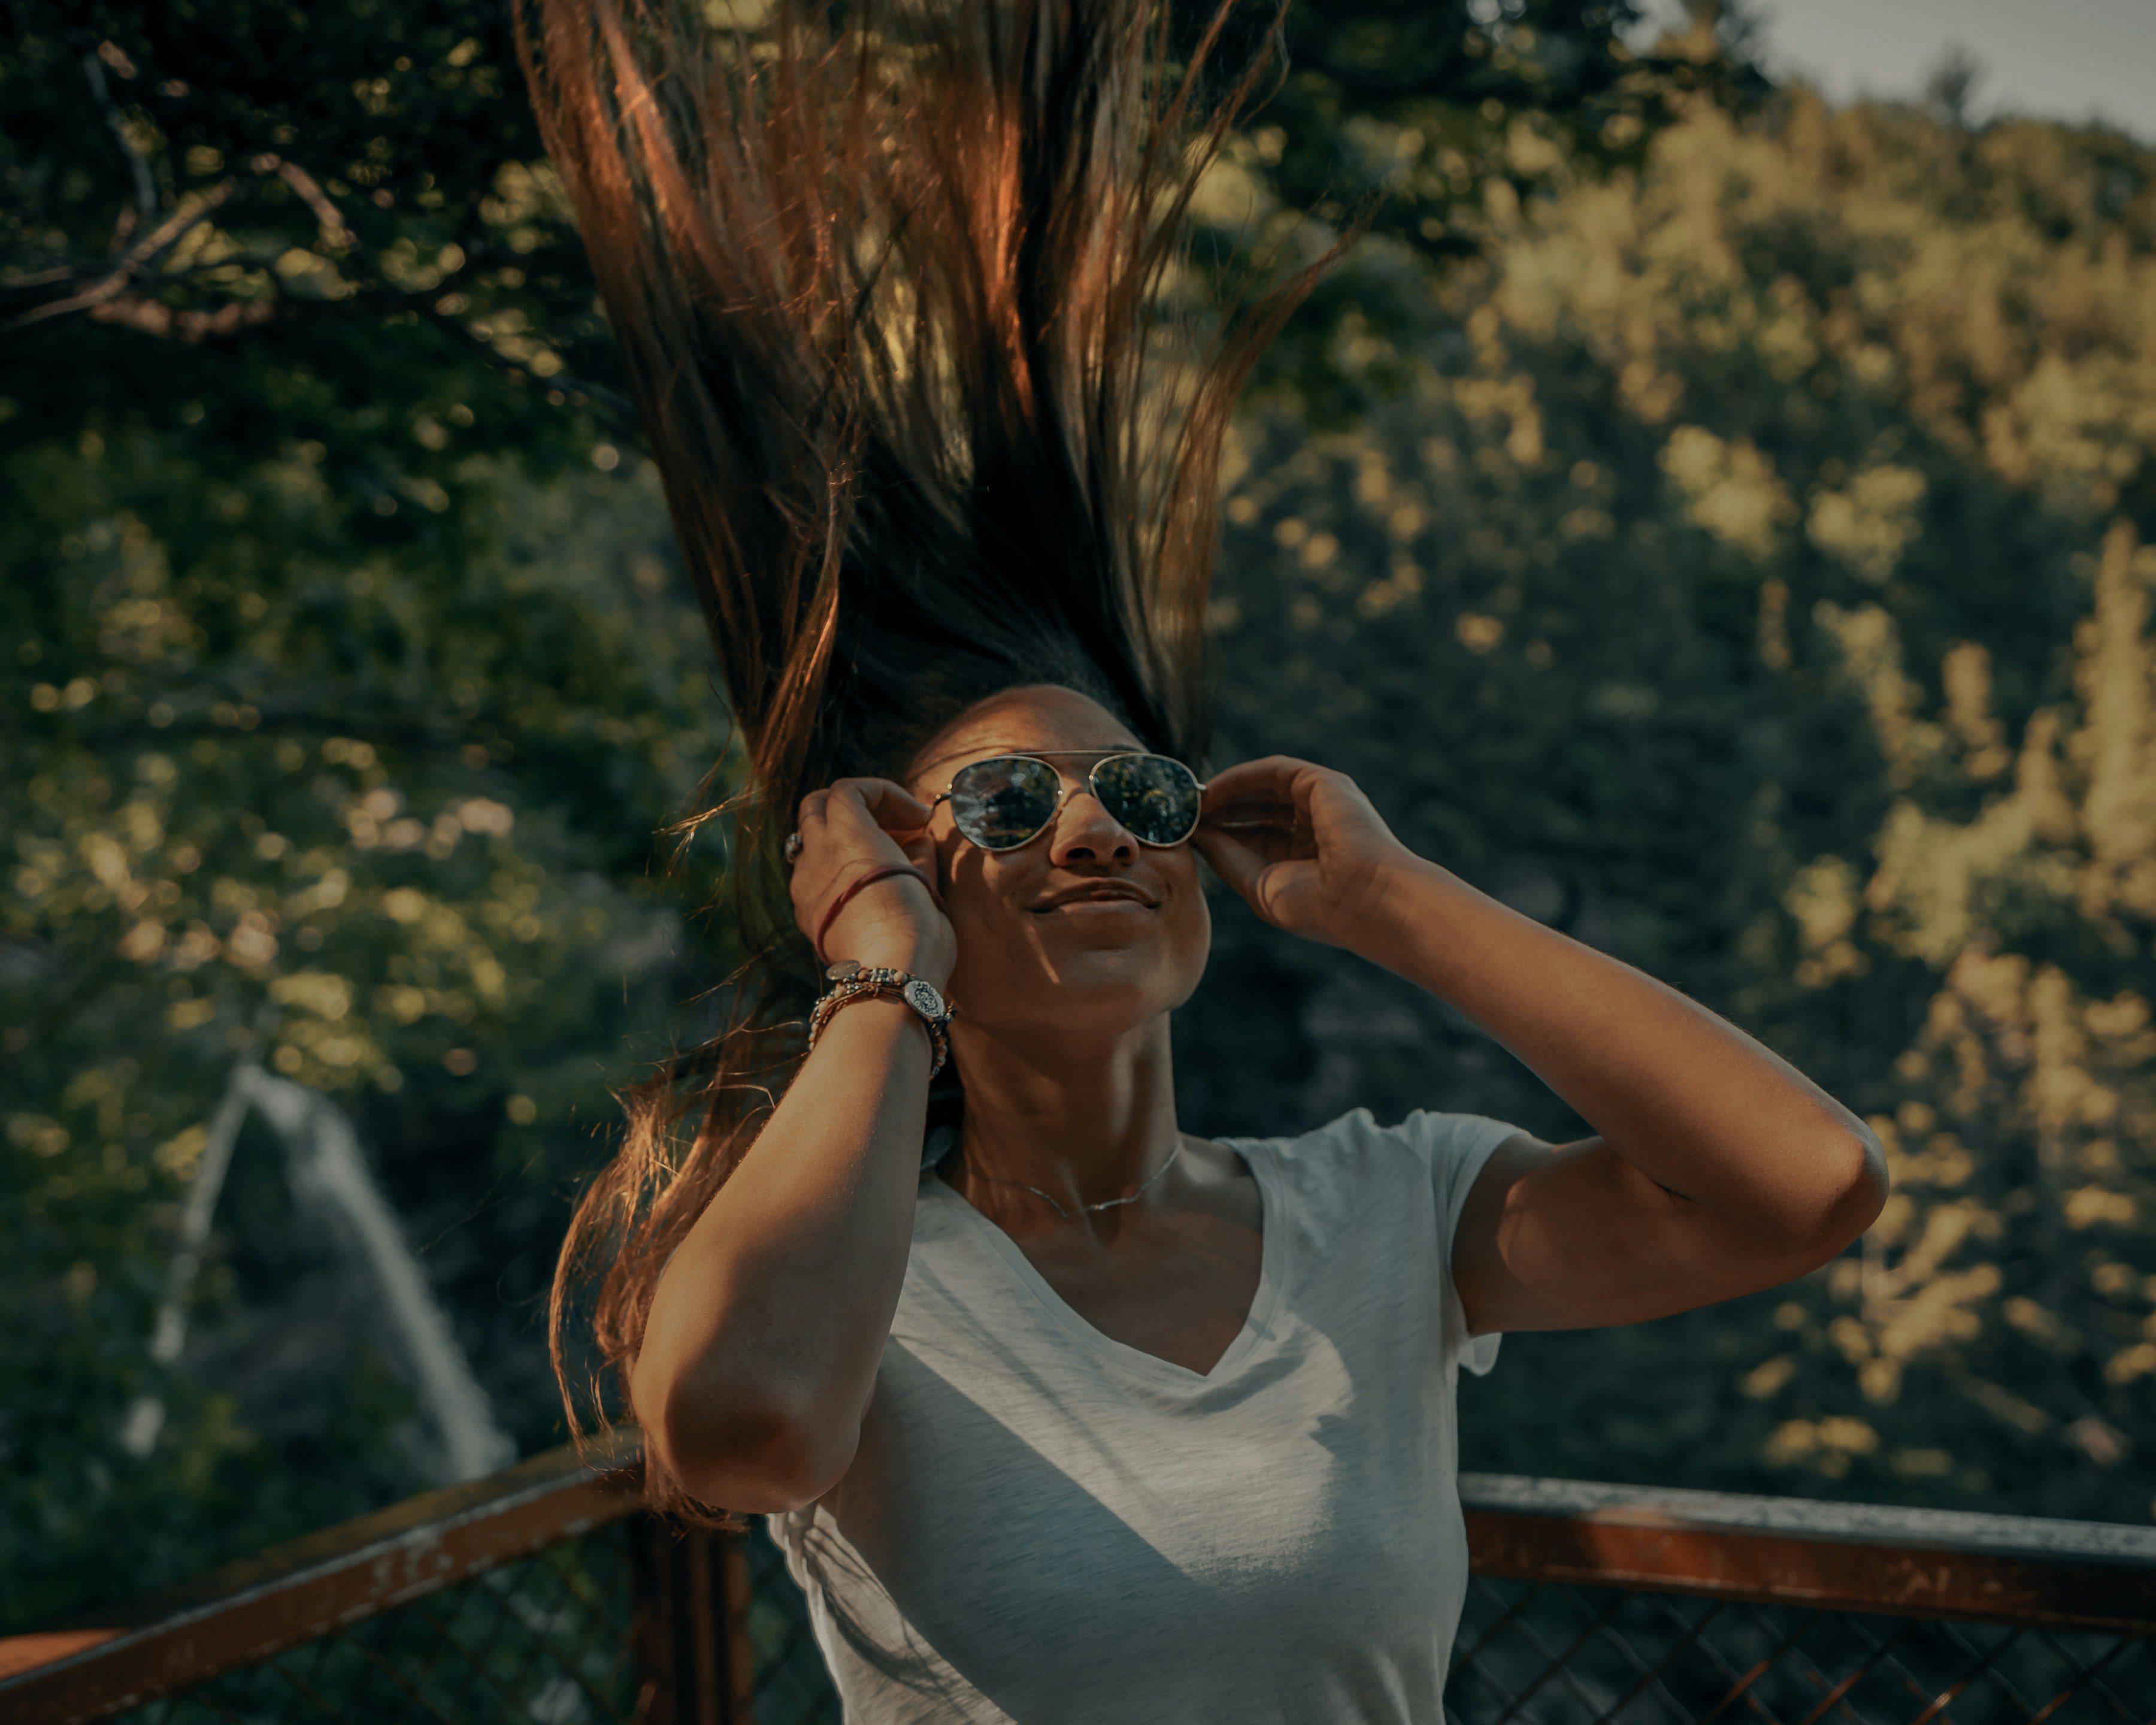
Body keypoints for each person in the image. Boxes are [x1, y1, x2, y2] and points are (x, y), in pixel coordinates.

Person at [519, 1, 1887, 1718]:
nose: (1094, 828)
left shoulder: (1388, 1214)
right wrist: (875, 979)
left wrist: (1388, 899)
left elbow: (1807, 1184)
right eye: (1004, 807)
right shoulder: (835, 1262)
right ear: (893, 871)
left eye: (1140, 795)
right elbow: (745, 1432)